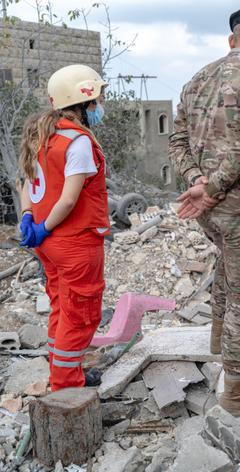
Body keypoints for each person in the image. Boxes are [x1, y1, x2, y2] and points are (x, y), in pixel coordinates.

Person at [169, 4, 240, 416]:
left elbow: (177, 141)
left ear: (232, 37)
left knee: (227, 271)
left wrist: (198, 182)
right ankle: (236, 393)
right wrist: (212, 187)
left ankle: (219, 343)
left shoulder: (198, 78)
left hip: (208, 211)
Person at [18, 64, 109, 391]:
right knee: (81, 313)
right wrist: (43, 226)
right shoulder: (78, 141)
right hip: (74, 242)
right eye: (95, 101)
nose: (98, 107)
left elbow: (27, 183)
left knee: (61, 303)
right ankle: (66, 385)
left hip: (49, 245)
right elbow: (69, 200)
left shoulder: (42, 133)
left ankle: (64, 369)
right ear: (83, 102)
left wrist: (29, 217)